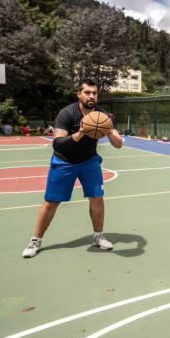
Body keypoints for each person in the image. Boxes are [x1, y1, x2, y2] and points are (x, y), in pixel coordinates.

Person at [22, 78, 123, 258]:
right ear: (79, 94)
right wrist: (81, 133)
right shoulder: (67, 114)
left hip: (89, 161)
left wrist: (108, 131)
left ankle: (98, 237)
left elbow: (118, 144)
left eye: (94, 93)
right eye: (87, 92)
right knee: (51, 202)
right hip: (64, 161)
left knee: (97, 198)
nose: (91, 96)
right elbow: (58, 144)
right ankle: (35, 241)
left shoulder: (102, 115)